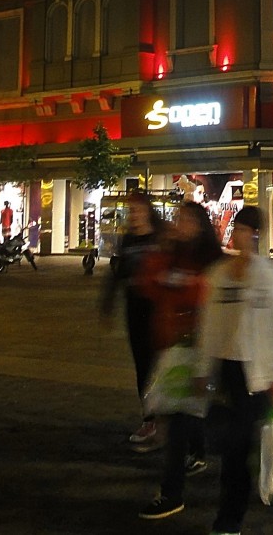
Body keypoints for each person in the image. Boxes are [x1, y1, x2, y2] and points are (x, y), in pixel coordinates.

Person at [192, 206, 273, 535]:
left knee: (241, 443)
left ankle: (231, 516)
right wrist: (202, 367)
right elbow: (208, 324)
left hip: (259, 373)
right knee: (232, 445)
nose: (240, 235)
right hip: (226, 370)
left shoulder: (268, 275)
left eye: (247, 230)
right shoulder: (218, 275)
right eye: (237, 228)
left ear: (257, 235)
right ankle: (232, 507)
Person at [136, 201, 223, 521]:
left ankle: (172, 493)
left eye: (185, 219)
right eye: (177, 219)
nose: (178, 224)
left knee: (181, 421)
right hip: (172, 350)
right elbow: (150, 285)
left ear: (199, 225)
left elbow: (207, 303)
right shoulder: (173, 254)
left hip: (200, 350)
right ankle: (195, 462)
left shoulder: (210, 261)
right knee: (181, 417)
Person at [103, 192, 164, 451]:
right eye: (131, 211)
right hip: (135, 310)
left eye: (138, 210)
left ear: (148, 211)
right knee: (143, 366)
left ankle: (167, 419)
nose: (134, 216)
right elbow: (117, 274)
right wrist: (107, 303)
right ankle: (150, 418)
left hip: (159, 310)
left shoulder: (162, 237)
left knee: (161, 365)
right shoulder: (128, 240)